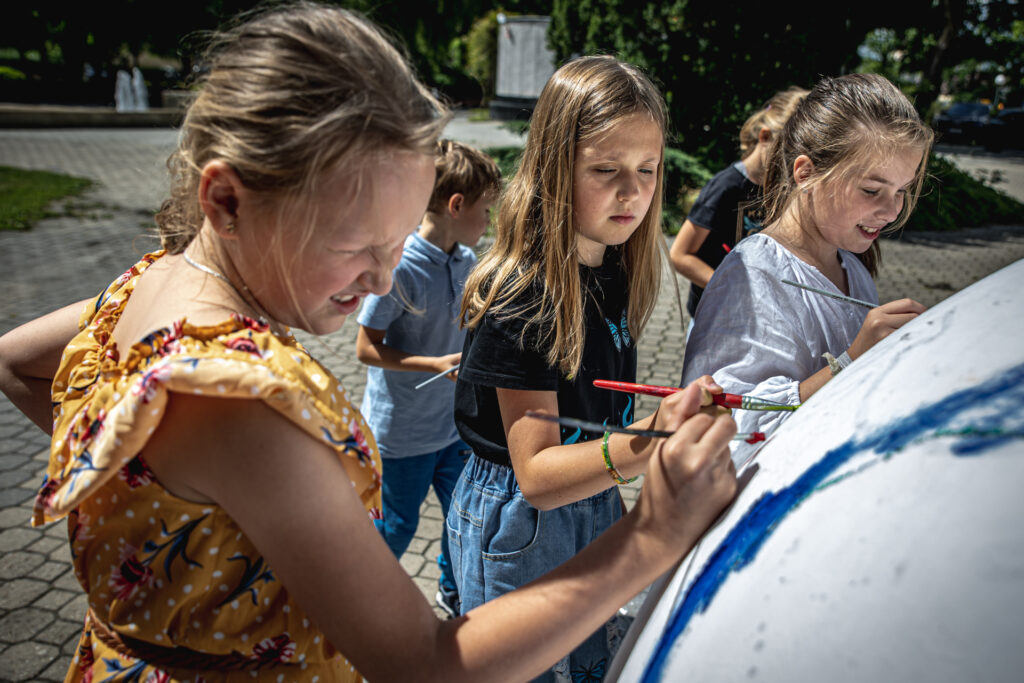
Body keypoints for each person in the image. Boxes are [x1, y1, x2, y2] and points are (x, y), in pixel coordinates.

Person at [0, 6, 737, 682]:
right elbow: (423, 663)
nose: (386, 274)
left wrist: (153, 496)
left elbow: (16, 361)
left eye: (398, 238)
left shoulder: (145, 285)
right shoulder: (239, 399)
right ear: (227, 200)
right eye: (359, 243)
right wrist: (651, 532)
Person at [448, 55, 723, 682]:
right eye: (606, 170)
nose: (633, 191)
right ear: (553, 167)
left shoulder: (613, 265)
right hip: (522, 518)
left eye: (647, 170)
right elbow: (538, 476)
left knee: (593, 660)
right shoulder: (523, 294)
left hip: (593, 494)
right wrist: (654, 438)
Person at [682, 73, 932, 462]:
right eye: (872, 190)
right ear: (806, 174)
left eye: (902, 190)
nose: (892, 210)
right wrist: (850, 361)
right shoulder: (750, 275)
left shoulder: (855, 270)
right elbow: (722, 434)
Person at [355, 139, 500, 618]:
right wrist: (435, 365)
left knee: (463, 517)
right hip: (404, 433)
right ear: (456, 206)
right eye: (485, 211)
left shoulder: (467, 261)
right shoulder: (400, 267)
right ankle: (363, 605)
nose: (488, 223)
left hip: (452, 428)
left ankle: (451, 592)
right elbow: (365, 347)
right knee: (396, 525)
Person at [669, 87, 808, 330]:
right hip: (713, 317)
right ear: (765, 137)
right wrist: (733, 288)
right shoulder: (726, 187)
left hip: (756, 318)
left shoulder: (785, 189)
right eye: (785, 156)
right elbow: (680, 255)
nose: (789, 169)